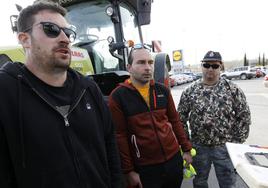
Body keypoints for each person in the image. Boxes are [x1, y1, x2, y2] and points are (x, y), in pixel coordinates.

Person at [0, 2, 122, 188]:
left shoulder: (89, 89)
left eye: (69, 32)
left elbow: (110, 146)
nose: (65, 38)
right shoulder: (5, 93)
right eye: (51, 29)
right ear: (25, 39)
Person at [108, 45, 193, 188]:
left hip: (173, 161)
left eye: (150, 62)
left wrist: (186, 149)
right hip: (145, 169)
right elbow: (119, 136)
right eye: (141, 62)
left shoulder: (163, 91)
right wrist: (129, 171)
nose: (147, 67)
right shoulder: (117, 97)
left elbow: (175, 121)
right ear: (129, 67)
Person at [178, 51, 251, 188]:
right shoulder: (190, 91)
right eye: (206, 65)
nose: (210, 69)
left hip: (224, 147)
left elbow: (244, 116)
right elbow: (180, 119)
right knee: (199, 182)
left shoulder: (232, 89)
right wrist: (186, 145)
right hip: (199, 147)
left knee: (228, 183)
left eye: (214, 66)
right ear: (202, 66)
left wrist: (235, 143)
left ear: (220, 67)